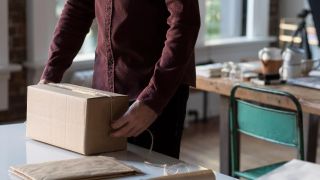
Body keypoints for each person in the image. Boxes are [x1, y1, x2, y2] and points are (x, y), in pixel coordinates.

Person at [40, 0, 200, 159]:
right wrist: (50, 76)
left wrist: (152, 100)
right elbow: (77, 9)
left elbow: (184, 23)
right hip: (104, 94)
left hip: (155, 94)